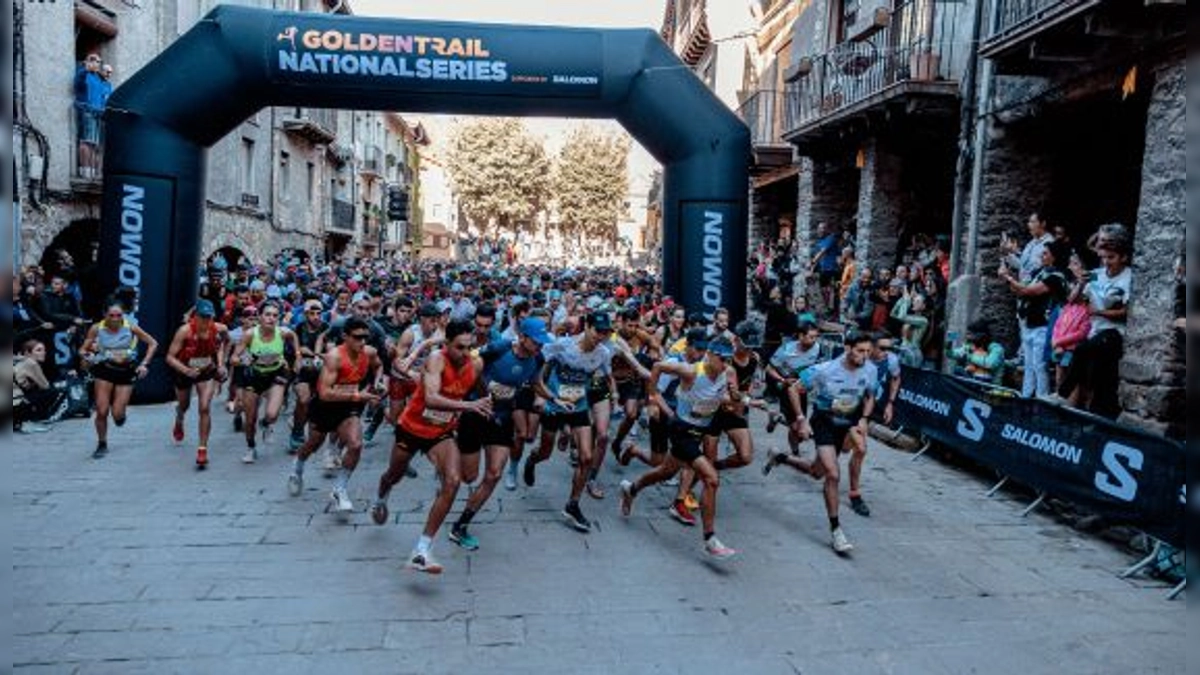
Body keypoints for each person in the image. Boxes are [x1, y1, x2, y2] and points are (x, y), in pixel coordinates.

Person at [371, 320, 489, 575]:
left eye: (469, 348)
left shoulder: (475, 364)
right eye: (459, 347)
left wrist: (491, 401)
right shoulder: (437, 359)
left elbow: (481, 389)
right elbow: (433, 398)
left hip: (441, 433)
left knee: (453, 481)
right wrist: (470, 406)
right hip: (412, 429)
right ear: (447, 344)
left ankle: (422, 550)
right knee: (394, 474)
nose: (464, 353)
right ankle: (381, 497)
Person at [619, 338, 741, 561]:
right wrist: (653, 398)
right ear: (710, 355)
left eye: (728, 359)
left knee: (665, 471)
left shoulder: (729, 373)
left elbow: (735, 406)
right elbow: (657, 366)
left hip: (700, 431)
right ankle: (710, 539)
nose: (724, 364)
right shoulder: (691, 371)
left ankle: (631, 489)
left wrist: (735, 396)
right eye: (721, 359)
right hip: (682, 429)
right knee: (711, 479)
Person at [762, 331, 878, 554]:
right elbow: (794, 388)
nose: (864, 356)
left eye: (867, 352)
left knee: (817, 472)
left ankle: (780, 457)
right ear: (847, 348)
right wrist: (801, 420)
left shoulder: (870, 370)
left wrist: (864, 419)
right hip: (825, 422)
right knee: (832, 474)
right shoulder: (825, 370)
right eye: (860, 351)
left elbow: (870, 395)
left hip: (849, 423)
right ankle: (836, 531)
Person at [448, 318, 551, 550]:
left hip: (502, 418)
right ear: (522, 337)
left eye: (543, 343)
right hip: (476, 413)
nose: (540, 346)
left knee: (494, 474)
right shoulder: (499, 347)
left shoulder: (538, 358)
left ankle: (460, 525)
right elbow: (471, 368)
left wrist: (555, 398)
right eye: (537, 342)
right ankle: (449, 452)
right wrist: (485, 394)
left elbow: (536, 383)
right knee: (469, 477)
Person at [524, 311, 615, 533]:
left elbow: (606, 374)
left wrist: (614, 395)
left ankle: (573, 505)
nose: (601, 336)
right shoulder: (562, 345)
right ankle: (532, 461)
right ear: (587, 328)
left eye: (605, 332)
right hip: (555, 405)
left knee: (586, 456)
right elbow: (540, 367)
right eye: (598, 331)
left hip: (579, 406)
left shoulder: (603, 353)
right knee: (546, 452)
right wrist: (540, 394)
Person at [288, 317, 384, 514]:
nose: (363, 342)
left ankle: (339, 489)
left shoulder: (369, 352)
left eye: (366, 337)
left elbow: (379, 365)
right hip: (326, 406)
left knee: (356, 445)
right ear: (345, 337)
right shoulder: (334, 357)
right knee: (313, 444)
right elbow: (324, 393)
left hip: (349, 406)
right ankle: (297, 468)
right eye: (357, 337)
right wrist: (359, 394)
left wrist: (378, 383)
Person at [1059, 228, 1132, 418]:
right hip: (1095, 332)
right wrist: (1081, 283)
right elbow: (1072, 300)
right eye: (1104, 258)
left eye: (1112, 257)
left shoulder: (1128, 277)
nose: (1107, 262)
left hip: (1114, 333)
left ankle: (1063, 392)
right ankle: (1085, 411)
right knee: (1092, 371)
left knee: (1084, 350)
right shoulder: (1096, 273)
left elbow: (1127, 312)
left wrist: (1099, 312)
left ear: (1123, 257)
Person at [79, 301, 159, 459]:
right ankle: (102, 444)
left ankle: (120, 416)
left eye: (119, 315)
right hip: (104, 370)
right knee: (102, 411)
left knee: (117, 414)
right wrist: (86, 355)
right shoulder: (97, 328)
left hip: (126, 371)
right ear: (105, 315)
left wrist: (144, 364)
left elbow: (153, 343)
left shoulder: (130, 326)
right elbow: (83, 349)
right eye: (112, 315)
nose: (115, 319)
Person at [230, 302, 300, 463]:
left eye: (275, 315)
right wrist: (243, 362)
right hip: (254, 375)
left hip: (277, 373)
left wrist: (298, 356)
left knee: (272, 414)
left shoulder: (282, 333)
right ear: (260, 317)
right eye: (267, 314)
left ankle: (266, 424)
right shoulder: (249, 335)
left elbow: (293, 336)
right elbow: (234, 358)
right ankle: (251, 448)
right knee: (250, 419)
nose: (271, 318)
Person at [165, 300, 229, 468]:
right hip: (185, 371)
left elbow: (224, 344)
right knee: (184, 405)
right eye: (202, 317)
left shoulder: (220, 329)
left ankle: (202, 449)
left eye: (209, 317)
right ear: (195, 316)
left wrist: (222, 364)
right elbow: (169, 357)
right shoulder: (184, 331)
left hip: (206, 371)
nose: (206, 321)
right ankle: (179, 418)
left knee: (204, 407)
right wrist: (186, 371)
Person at [1002, 238, 1069, 398]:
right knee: (1029, 365)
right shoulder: (1038, 272)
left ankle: (1041, 398)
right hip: (1029, 323)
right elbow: (1019, 289)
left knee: (1040, 365)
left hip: (1044, 325)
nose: (1041, 256)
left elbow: (1029, 291)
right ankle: (1026, 396)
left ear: (1055, 256)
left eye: (1045, 253)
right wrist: (1009, 276)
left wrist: (1009, 278)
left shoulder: (1056, 277)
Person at [765, 320, 823, 457]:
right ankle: (795, 454)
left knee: (800, 429)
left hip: (802, 389)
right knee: (797, 426)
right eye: (811, 337)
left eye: (816, 337)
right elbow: (768, 368)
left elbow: (819, 369)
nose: (814, 340)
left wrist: (811, 384)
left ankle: (777, 418)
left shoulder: (817, 348)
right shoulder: (786, 350)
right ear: (801, 336)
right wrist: (783, 380)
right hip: (786, 387)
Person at [289, 299, 329, 451]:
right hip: (303, 372)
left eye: (319, 313)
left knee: (317, 407)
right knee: (303, 399)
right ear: (305, 314)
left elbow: (331, 351)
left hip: (322, 371)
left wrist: (312, 354)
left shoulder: (327, 328)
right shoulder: (298, 328)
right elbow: (294, 351)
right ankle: (297, 432)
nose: (316, 316)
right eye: (312, 313)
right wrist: (299, 354)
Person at [14, 340, 60, 433]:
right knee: (52, 392)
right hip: (15, 404)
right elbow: (45, 386)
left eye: (44, 350)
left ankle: (19, 421)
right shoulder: (32, 363)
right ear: (27, 352)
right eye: (38, 350)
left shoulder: (18, 361)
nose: (43, 353)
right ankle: (28, 421)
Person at [949, 320, 1006, 384]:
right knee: (958, 370)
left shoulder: (996, 348)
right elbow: (954, 354)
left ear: (982, 336)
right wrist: (948, 347)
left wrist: (970, 356)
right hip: (974, 381)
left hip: (991, 387)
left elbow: (990, 363)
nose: (969, 338)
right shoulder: (971, 346)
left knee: (958, 370)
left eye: (972, 335)